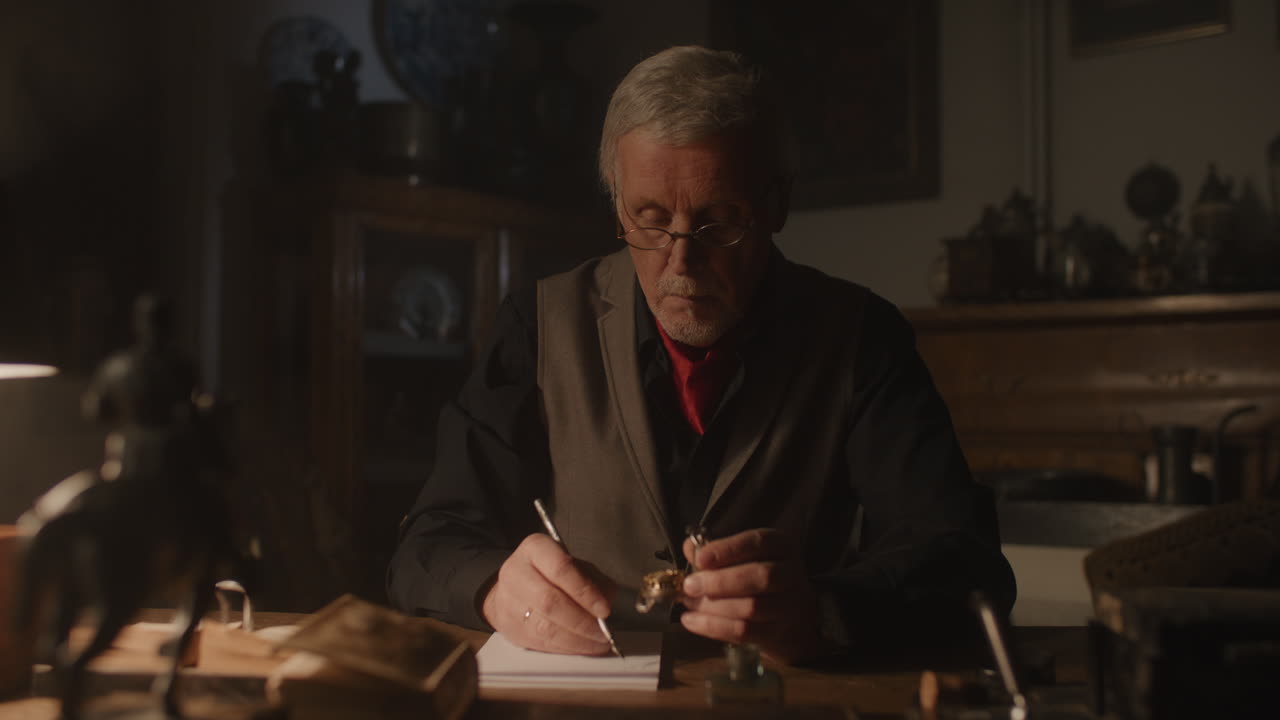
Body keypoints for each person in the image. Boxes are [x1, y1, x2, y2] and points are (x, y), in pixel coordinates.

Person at [388, 45, 1015, 663]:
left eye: (718, 223)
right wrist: (493, 587)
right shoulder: (538, 325)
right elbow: (429, 541)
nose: (680, 264)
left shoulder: (861, 336)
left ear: (776, 206)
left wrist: (824, 611)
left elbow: (964, 564)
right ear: (617, 209)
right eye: (650, 220)